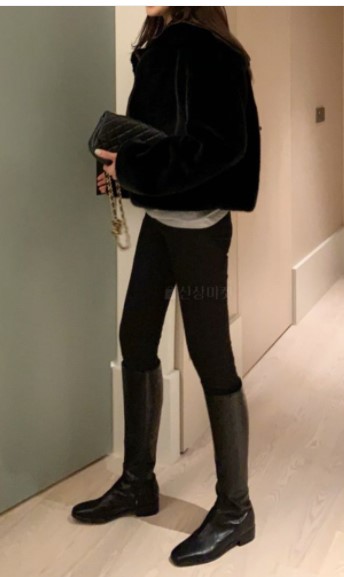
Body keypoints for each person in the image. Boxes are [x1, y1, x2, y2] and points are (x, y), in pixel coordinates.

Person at [71, 6, 261, 567]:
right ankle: (138, 483)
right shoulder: (160, 42)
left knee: (211, 356)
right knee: (135, 339)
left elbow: (221, 145)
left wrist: (132, 167)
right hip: (161, 221)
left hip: (198, 230)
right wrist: (120, 167)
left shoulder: (211, 50)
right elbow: (164, 135)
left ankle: (236, 510)